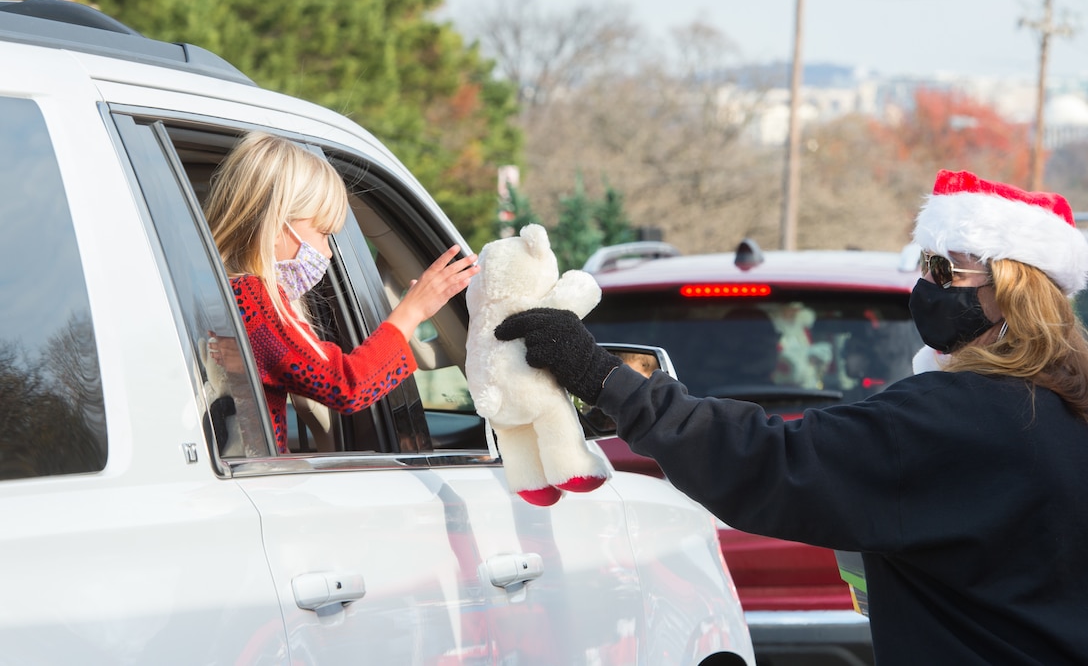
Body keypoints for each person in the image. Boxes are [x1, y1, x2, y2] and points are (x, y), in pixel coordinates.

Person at [495, 169, 1088, 665]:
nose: (924, 285)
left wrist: (602, 378)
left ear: (1011, 293)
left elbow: (767, 459)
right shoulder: (1064, 407)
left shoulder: (963, 417)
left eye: (943, 270)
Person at [203, 131, 478, 454]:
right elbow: (346, 385)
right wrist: (412, 312)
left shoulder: (213, 291)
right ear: (277, 226)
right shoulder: (254, 301)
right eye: (322, 233)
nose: (328, 253)